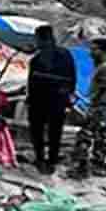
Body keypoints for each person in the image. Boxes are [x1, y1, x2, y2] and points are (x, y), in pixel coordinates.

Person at [26, 25, 76, 175]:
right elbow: (72, 80)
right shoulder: (40, 58)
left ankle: (45, 160)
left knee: (43, 131)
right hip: (48, 101)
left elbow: (71, 79)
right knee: (50, 132)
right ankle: (46, 160)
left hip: (50, 101)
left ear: (43, 39)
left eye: (38, 39)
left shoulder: (40, 59)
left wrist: (66, 95)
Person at [70, 37, 106, 180]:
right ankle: (97, 167)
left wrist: (96, 109)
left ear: (102, 50)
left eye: (94, 49)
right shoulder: (104, 66)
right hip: (104, 108)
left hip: (101, 108)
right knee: (101, 138)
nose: (90, 53)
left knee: (84, 137)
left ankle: (81, 169)